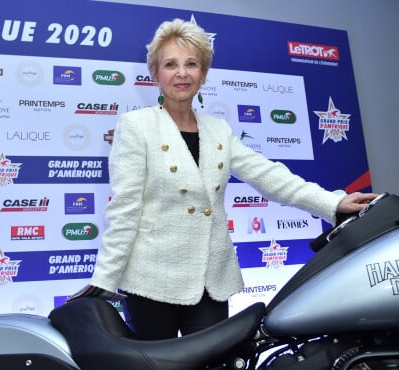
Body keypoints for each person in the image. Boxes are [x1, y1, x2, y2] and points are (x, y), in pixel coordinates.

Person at [80, 18, 378, 340]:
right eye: (170, 64)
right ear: (155, 74)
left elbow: (269, 175)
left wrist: (333, 202)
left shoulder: (218, 130)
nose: (181, 73)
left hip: (212, 281)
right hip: (151, 281)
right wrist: (105, 280)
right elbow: (124, 209)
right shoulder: (136, 126)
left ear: (203, 74)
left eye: (191, 64)